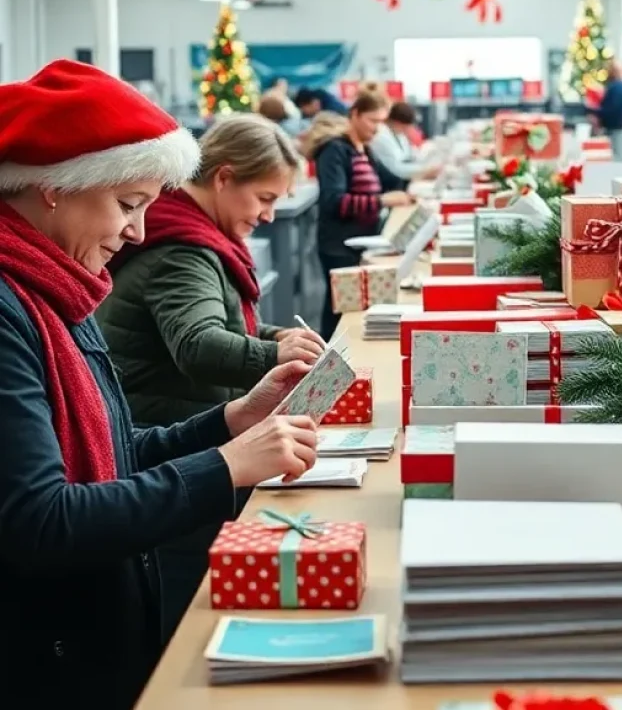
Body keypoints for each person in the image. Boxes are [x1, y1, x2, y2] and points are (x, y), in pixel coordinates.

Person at [0, 60, 319, 708]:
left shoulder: (60, 295)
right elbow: (42, 523)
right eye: (127, 204)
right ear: (56, 187)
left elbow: (117, 456)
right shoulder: (14, 314)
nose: (138, 231)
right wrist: (223, 466)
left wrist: (226, 424)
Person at [96, 114, 325, 632]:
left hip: (172, 430)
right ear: (223, 178)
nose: (269, 215)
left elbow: (215, 320)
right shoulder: (184, 250)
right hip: (167, 438)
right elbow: (198, 345)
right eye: (264, 198)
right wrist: (275, 358)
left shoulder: (192, 235)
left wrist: (273, 337)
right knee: (189, 612)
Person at [311, 91, 411, 337]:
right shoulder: (335, 151)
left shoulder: (364, 150)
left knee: (349, 309)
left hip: (362, 242)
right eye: (372, 121)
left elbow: (391, 180)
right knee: (339, 309)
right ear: (354, 114)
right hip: (339, 244)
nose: (378, 129)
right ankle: (325, 358)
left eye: (381, 122)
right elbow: (333, 201)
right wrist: (380, 201)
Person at [369, 100, 441, 183]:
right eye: (406, 127)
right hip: (390, 182)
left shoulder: (399, 134)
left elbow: (411, 156)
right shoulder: (381, 136)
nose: (408, 130)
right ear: (397, 123)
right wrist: (424, 171)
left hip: (401, 179)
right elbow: (396, 169)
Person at [595, 61, 622, 160]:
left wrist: (593, 110)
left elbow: (610, 109)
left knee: (613, 157)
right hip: (621, 127)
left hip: (613, 128)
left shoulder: (615, 88)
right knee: (619, 155)